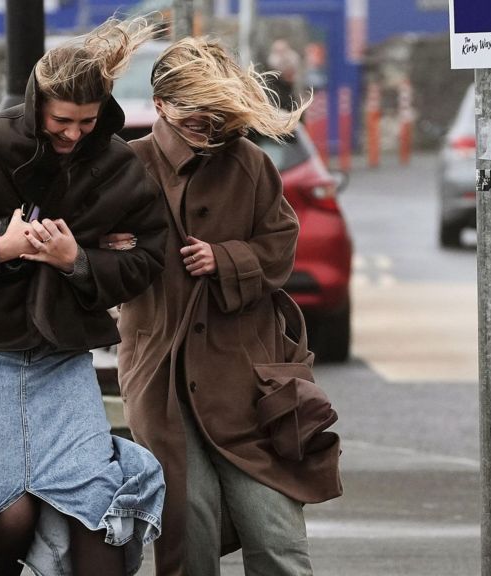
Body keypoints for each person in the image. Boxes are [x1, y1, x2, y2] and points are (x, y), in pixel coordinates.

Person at [0, 17, 168, 576]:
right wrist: (0, 246)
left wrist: (80, 260)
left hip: (60, 359)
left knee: (97, 513)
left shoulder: (118, 166)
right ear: (36, 103)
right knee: (14, 513)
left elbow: (147, 257)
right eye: (61, 121)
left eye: (87, 122)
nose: (73, 134)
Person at [112, 37, 342, 576]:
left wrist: (227, 260)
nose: (209, 131)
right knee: (189, 530)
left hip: (249, 379)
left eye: (217, 119)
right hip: (163, 377)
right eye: (196, 118)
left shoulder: (251, 163)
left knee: (277, 534)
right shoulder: (128, 166)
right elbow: (98, 270)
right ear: (162, 106)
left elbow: (281, 246)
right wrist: (108, 251)